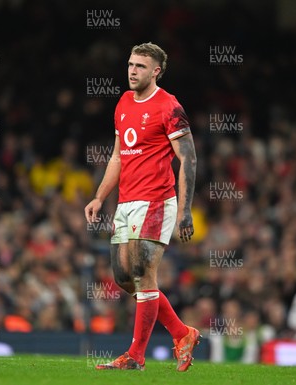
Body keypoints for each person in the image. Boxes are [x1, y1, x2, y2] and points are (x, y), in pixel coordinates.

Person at [84, 42, 199, 371]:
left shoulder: (169, 106)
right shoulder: (122, 103)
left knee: (142, 274)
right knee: (123, 278)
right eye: (131, 64)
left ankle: (135, 356)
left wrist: (185, 210)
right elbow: (119, 155)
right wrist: (99, 196)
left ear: (156, 71)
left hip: (156, 201)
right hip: (127, 201)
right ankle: (182, 332)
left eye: (141, 66)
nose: (133, 70)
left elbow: (188, 158)